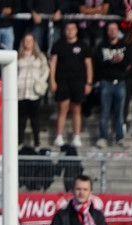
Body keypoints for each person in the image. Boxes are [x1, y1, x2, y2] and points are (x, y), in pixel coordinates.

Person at [49, 21, 91, 149]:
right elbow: (53, 63)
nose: (70, 31)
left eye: (73, 28)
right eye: (68, 28)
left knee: (76, 109)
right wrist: (52, 80)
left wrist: (89, 82)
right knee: (62, 108)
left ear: (77, 30)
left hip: (78, 81)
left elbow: (88, 65)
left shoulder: (83, 45)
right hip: (62, 81)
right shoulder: (58, 45)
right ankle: (59, 136)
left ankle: (76, 136)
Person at [93, 20, 128, 149]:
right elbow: (98, 63)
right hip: (106, 82)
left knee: (119, 113)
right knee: (104, 112)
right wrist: (112, 61)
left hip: (120, 82)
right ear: (107, 31)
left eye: (114, 29)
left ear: (118, 31)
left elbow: (128, 63)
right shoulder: (101, 46)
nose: (112, 32)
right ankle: (103, 137)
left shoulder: (124, 45)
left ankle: (120, 137)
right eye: (110, 29)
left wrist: (119, 62)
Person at [17, 31, 51, 148]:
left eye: (30, 41)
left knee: (35, 118)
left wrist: (40, 81)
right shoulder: (18, 56)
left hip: (34, 92)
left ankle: (37, 142)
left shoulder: (40, 56)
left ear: (34, 42)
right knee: (21, 119)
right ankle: (19, 142)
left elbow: (45, 70)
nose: (27, 43)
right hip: (20, 91)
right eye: (25, 40)